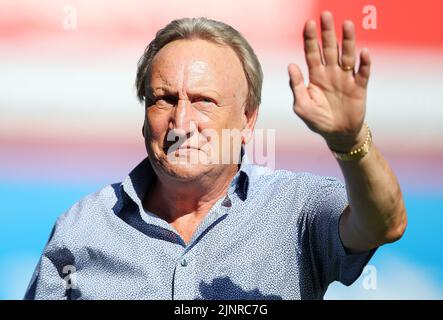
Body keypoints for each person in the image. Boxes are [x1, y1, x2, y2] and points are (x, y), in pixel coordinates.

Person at [24, 12, 407, 300]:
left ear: (247, 118)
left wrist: (350, 141)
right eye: (164, 99)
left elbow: (383, 224)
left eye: (204, 101)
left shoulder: (297, 209)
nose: (182, 120)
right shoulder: (82, 228)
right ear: (144, 116)